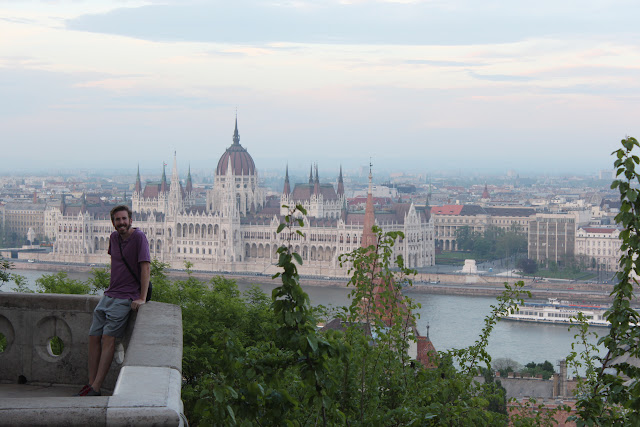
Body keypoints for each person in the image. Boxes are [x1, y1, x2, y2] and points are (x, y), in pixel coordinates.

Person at [76, 205, 150, 396]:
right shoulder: (113, 238)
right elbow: (116, 265)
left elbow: (145, 267)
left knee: (108, 338)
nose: (121, 222)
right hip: (109, 295)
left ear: (130, 220)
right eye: (118, 219)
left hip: (125, 297)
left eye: (124, 219)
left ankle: (96, 387)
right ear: (113, 222)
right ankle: (90, 383)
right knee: (94, 336)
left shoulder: (139, 237)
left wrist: (142, 298)